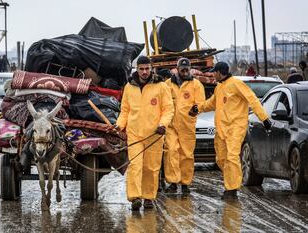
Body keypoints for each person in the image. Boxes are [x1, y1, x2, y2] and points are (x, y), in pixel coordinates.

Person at [195, 61, 271, 199]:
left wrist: (264, 119)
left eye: (214, 72)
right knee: (221, 159)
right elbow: (212, 103)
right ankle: (231, 183)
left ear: (219, 72)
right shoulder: (219, 87)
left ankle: (232, 189)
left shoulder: (236, 83)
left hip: (236, 127)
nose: (212, 75)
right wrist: (198, 108)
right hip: (221, 129)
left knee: (232, 157)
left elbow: (252, 99)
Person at [116, 56, 174, 210]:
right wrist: (119, 125)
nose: (144, 72)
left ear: (151, 68)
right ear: (137, 69)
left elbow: (168, 109)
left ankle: (148, 197)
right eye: (141, 69)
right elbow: (125, 111)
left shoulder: (161, 86)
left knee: (151, 167)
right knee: (135, 165)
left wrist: (163, 125)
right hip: (134, 133)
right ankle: (135, 197)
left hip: (154, 134)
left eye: (147, 69)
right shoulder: (129, 87)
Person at [163, 58, 205, 194]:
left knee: (187, 155)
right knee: (171, 151)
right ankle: (173, 182)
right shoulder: (167, 84)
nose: (185, 71)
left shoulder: (196, 85)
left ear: (190, 68)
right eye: (183, 69)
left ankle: (185, 183)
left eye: (187, 69)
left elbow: (201, 103)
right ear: (177, 69)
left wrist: (196, 109)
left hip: (187, 126)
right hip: (171, 126)